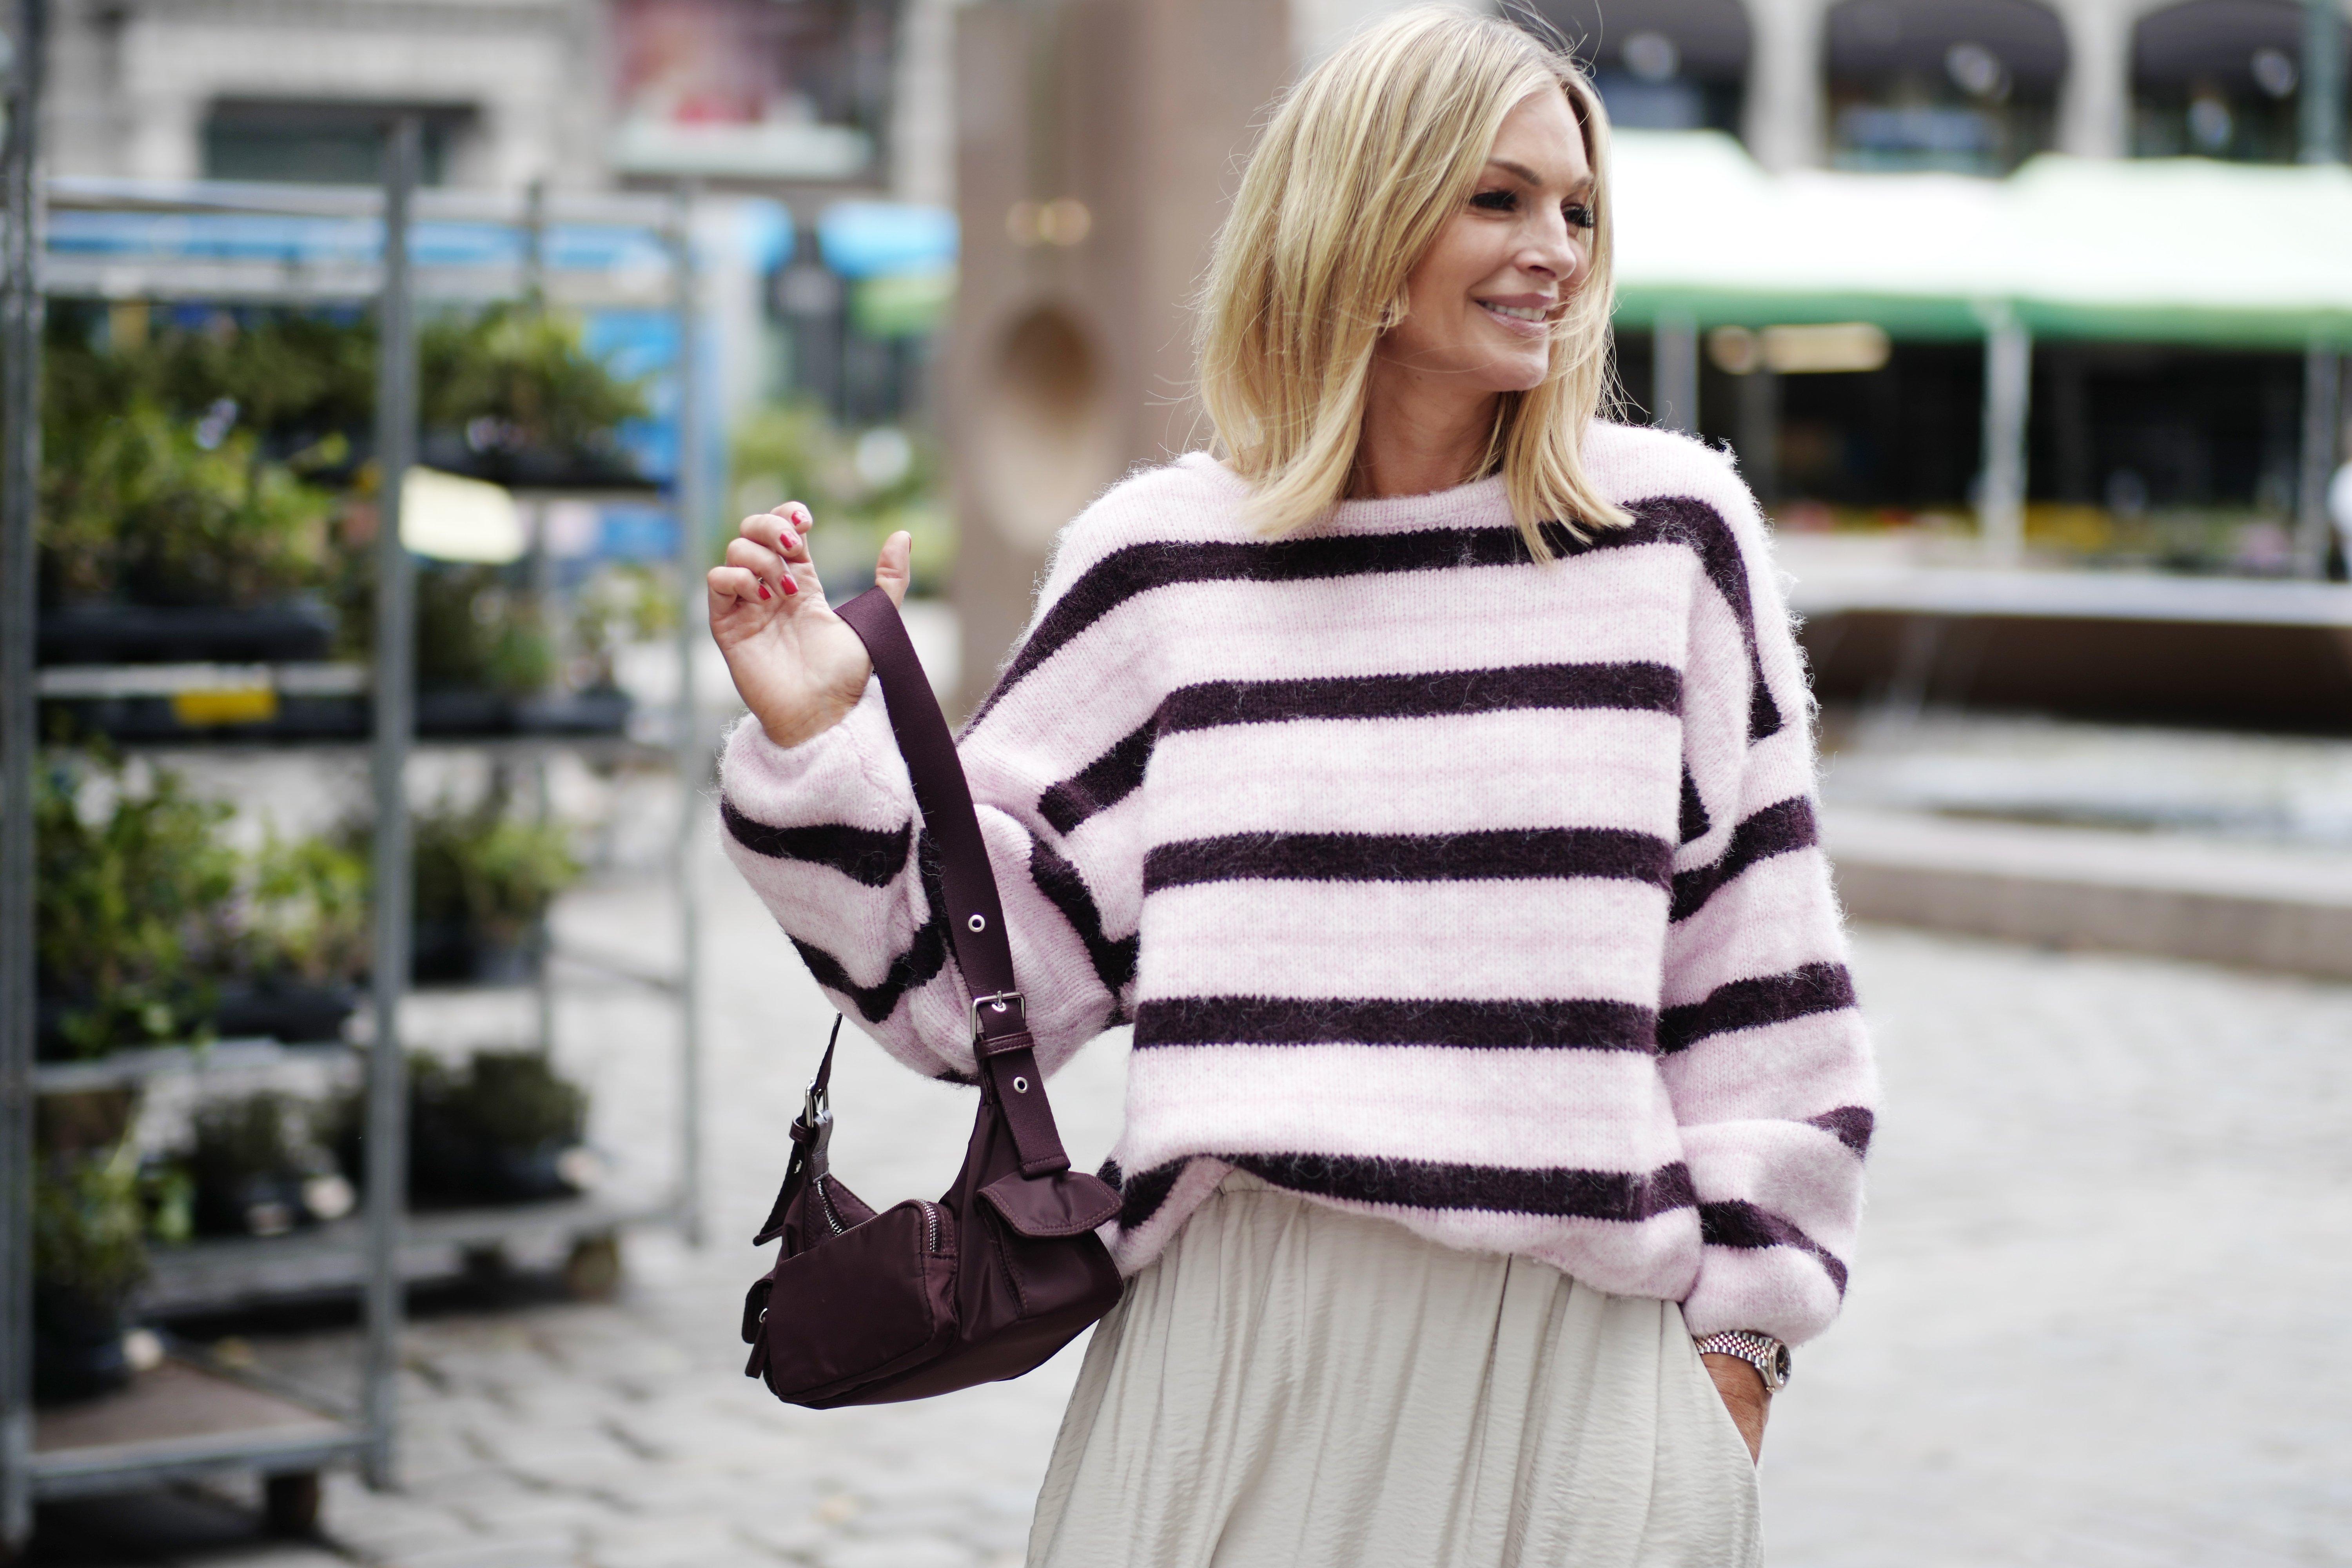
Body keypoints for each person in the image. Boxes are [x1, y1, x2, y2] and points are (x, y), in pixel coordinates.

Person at [707, 10, 1875, 1565]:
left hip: (1569, 1365)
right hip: (1234, 1353)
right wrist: (815, 750)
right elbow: (972, 991)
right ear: (1368, 225)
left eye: (1580, 211)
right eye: (1501, 199)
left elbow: (1767, 1014)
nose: (1558, 252)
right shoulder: (1165, 566)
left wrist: (1737, 1369)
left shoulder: (1670, 544)